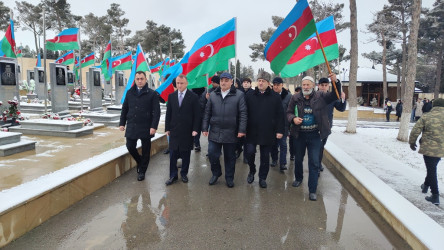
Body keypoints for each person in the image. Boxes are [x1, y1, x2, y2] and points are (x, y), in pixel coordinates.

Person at [287, 74, 341, 201]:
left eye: (308, 85)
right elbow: (288, 112)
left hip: (315, 135)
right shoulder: (295, 97)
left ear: (313, 86)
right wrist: (293, 119)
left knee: (314, 162)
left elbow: (335, 95)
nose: (305, 87)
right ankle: (299, 178)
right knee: (298, 159)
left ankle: (312, 190)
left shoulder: (321, 96)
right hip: (299, 134)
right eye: (304, 84)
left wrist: (336, 82)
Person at [202, 72, 247, 188]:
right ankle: (216, 173)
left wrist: (241, 130)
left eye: (226, 80)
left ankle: (229, 177)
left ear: (232, 82)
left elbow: (243, 113)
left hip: (231, 132)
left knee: (230, 157)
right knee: (212, 154)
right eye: (222, 80)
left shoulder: (239, 95)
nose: (223, 82)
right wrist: (204, 127)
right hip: (215, 131)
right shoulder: (213, 95)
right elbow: (207, 112)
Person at [245, 72, 284, 188]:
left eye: (263, 81)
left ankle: (262, 177)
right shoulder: (250, 95)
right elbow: (244, 113)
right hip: (252, 130)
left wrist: (279, 131)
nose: (260, 83)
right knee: (250, 152)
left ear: (268, 83)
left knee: (265, 156)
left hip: (268, 131)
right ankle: (252, 170)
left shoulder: (275, 97)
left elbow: (280, 115)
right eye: (259, 80)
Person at [119, 71, 161, 181]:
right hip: (132, 124)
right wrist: (122, 123)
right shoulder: (129, 92)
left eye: (141, 78)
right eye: (137, 79)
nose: (139, 81)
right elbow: (125, 109)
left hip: (146, 126)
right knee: (130, 146)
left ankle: (142, 171)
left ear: (145, 79)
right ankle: (140, 161)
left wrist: (154, 126)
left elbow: (156, 112)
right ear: (135, 80)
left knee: (146, 150)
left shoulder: (152, 94)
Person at [165, 74, 200, 185]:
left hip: (187, 130)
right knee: (173, 154)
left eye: (182, 83)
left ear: (186, 83)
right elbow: (168, 113)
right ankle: (173, 175)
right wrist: (167, 128)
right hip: (174, 130)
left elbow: (197, 115)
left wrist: (195, 129)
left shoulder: (193, 97)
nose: (179, 85)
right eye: (178, 83)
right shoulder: (171, 96)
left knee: (185, 154)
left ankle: (184, 173)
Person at [409, 98, 444, 205]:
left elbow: (416, 130)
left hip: (428, 148)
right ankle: (425, 186)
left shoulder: (427, 116)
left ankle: (435, 195)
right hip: (441, 148)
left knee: (431, 170)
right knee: (432, 167)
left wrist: (412, 142)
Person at [317, 77, 346, 174]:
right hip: (314, 126)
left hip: (326, 126)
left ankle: (318, 163)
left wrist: (343, 99)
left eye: (326, 85)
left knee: (321, 146)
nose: (324, 87)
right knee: (316, 146)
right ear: (318, 86)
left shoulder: (332, 97)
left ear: (328, 86)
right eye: (322, 85)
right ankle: (315, 164)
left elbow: (341, 108)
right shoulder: (313, 96)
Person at [270, 76, 291, 172]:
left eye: (278, 85)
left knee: (283, 144)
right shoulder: (270, 95)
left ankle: (283, 163)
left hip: (284, 124)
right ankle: (274, 159)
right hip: (272, 124)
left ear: (282, 85)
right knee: (273, 144)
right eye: (274, 85)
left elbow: (291, 111)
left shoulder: (288, 96)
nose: (276, 87)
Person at [237, 77, 254, 162]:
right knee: (239, 138)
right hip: (239, 118)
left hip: (249, 118)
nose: (246, 83)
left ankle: (246, 156)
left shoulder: (253, 93)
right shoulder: (239, 92)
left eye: (247, 82)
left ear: (250, 84)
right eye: (244, 82)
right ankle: (239, 149)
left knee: (247, 139)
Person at [289, 86, 302, 162]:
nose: (298, 93)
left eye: (299, 91)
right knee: (292, 142)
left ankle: (297, 154)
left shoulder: (303, 101)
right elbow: (289, 112)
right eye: (296, 91)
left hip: (300, 126)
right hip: (292, 125)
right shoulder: (292, 100)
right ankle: (292, 154)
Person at [191, 87, 206, 152]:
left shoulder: (206, 92)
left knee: (206, 130)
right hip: (195, 115)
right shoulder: (191, 92)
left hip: (204, 115)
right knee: (196, 129)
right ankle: (197, 144)